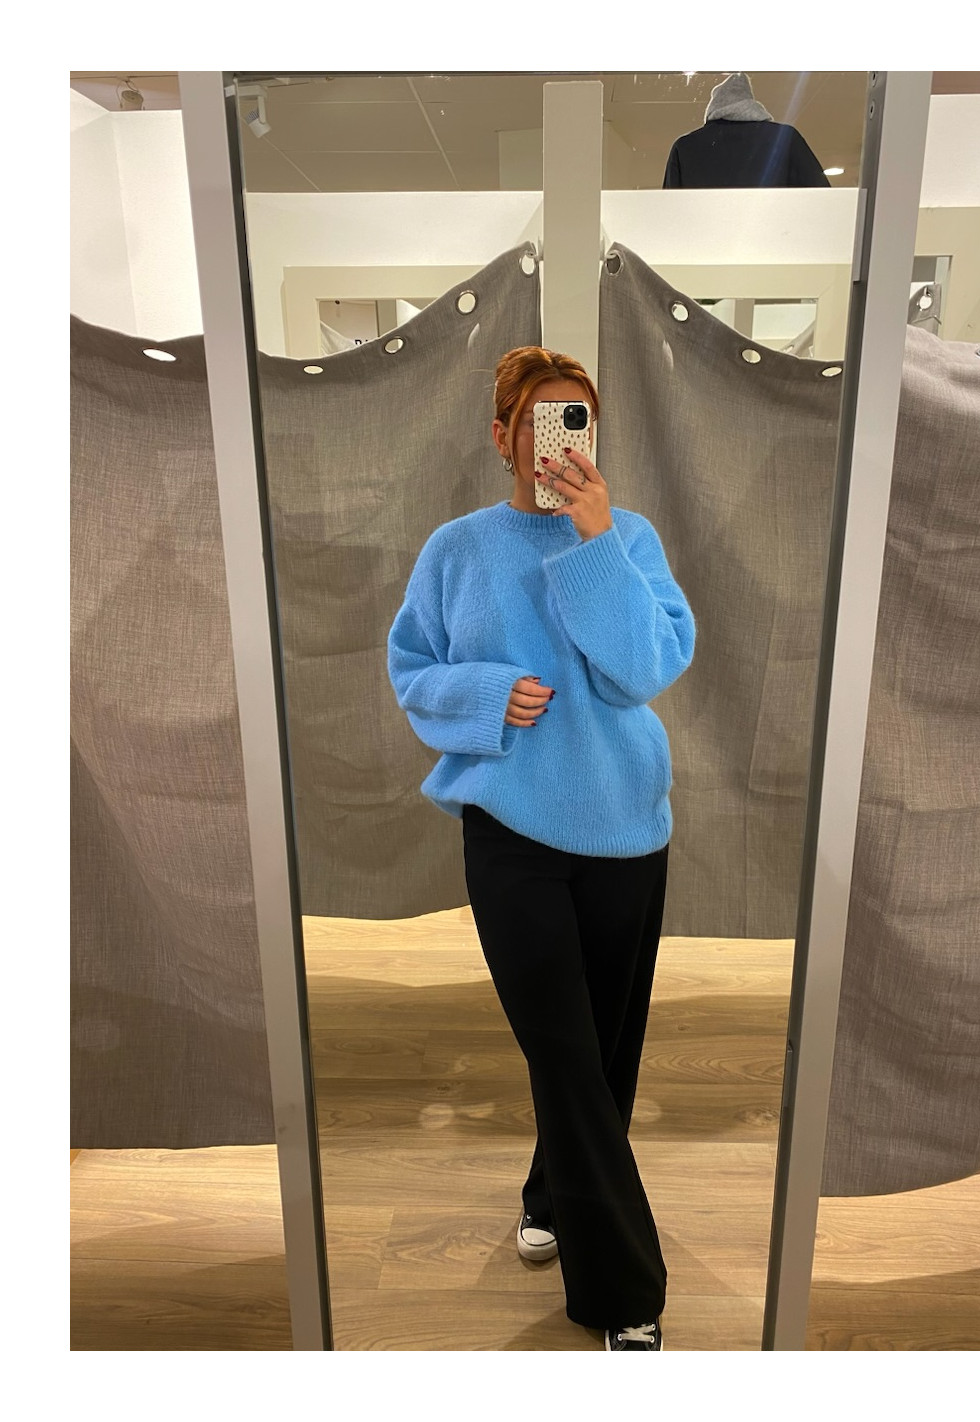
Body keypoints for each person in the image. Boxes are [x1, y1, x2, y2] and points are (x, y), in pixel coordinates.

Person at [386, 345, 696, 1352]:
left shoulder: (627, 535)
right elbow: (411, 669)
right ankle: (623, 1293)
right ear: (502, 437)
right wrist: (483, 694)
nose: (562, 439)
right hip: (510, 832)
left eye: (578, 420)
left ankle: (553, 1195)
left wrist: (593, 539)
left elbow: (643, 670)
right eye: (541, 420)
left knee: (602, 1052)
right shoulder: (456, 549)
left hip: (625, 827)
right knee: (561, 1049)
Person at [663, 72, 831, 189]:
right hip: (775, 230)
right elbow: (823, 200)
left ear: (713, 107)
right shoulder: (784, 139)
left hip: (706, 231)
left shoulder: (685, 148)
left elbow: (670, 211)